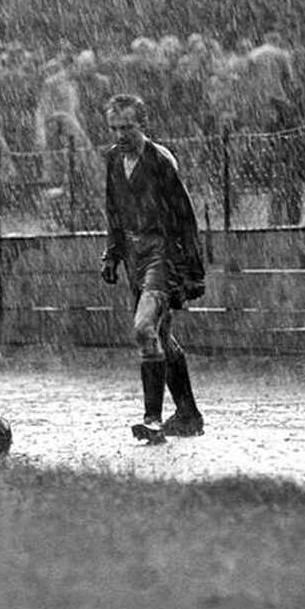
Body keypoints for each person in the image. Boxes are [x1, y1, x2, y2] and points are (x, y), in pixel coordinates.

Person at [100, 93, 206, 444]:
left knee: (144, 327)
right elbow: (113, 209)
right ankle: (188, 414)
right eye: (114, 128)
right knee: (160, 335)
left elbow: (185, 216)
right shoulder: (114, 159)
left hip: (162, 252)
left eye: (127, 127)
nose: (120, 134)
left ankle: (152, 418)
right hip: (134, 254)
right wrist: (112, 253)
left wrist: (193, 270)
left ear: (142, 124)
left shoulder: (160, 161)